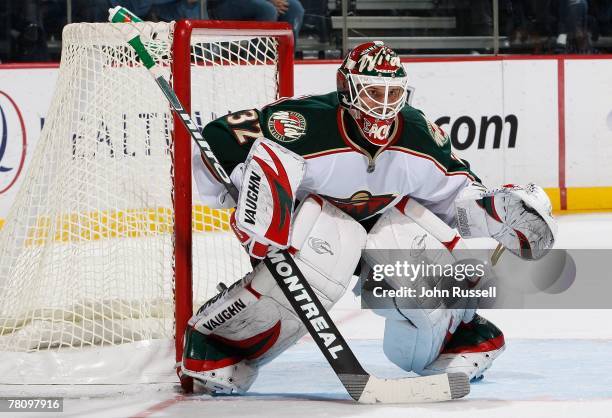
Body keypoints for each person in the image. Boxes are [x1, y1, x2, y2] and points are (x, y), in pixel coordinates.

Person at [180, 41, 557, 394]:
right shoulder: (302, 124)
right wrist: (239, 179)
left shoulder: (419, 134)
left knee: (415, 251)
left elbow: (456, 195)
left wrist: (498, 213)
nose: (384, 105)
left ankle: (454, 336)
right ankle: (218, 342)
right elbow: (218, 136)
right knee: (323, 259)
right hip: (311, 231)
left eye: (393, 94)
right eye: (374, 93)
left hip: (380, 221)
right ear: (348, 89)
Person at [208, 0, 304, 42]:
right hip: (222, 5)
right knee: (267, 10)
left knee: (294, 8)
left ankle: (287, 61)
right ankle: (256, 62)